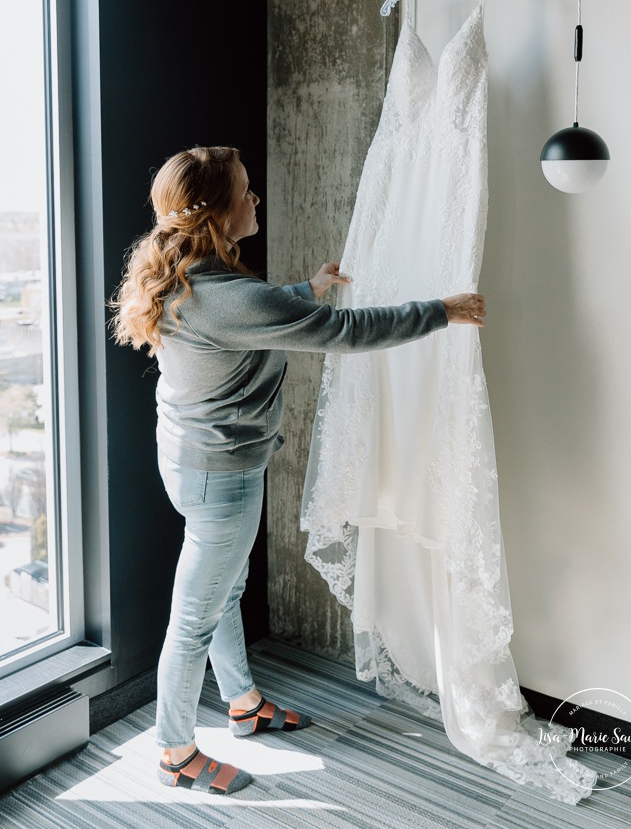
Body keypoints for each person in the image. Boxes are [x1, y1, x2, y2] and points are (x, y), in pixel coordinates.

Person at [110, 144, 486, 796]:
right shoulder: (224, 293)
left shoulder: (194, 274)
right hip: (219, 473)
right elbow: (341, 333)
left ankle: (244, 705)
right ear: (218, 212)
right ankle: (175, 752)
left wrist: (306, 290)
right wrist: (442, 311)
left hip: (193, 461)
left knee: (222, 592)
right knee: (194, 616)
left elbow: (253, 316)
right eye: (246, 191)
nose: (255, 199)